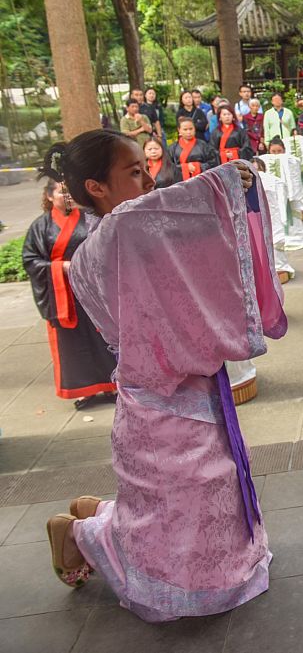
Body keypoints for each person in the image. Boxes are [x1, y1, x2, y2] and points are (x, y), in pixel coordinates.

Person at [41, 130, 284, 619]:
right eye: (134, 171)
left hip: (175, 388)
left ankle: (100, 516)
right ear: (96, 188)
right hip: (159, 397)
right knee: (181, 504)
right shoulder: (117, 233)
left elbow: (194, 233)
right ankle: (80, 534)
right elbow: (178, 208)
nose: (151, 179)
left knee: (203, 495)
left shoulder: (128, 235)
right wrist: (222, 181)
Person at [22, 176, 118, 409]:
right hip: (62, 292)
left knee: (102, 338)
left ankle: (111, 385)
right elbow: (31, 260)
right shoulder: (40, 227)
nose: (67, 196)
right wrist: (60, 267)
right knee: (71, 344)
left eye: (69, 191)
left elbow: (106, 246)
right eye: (60, 192)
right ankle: (83, 390)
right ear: (48, 196)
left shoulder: (90, 217)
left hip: (91, 289)